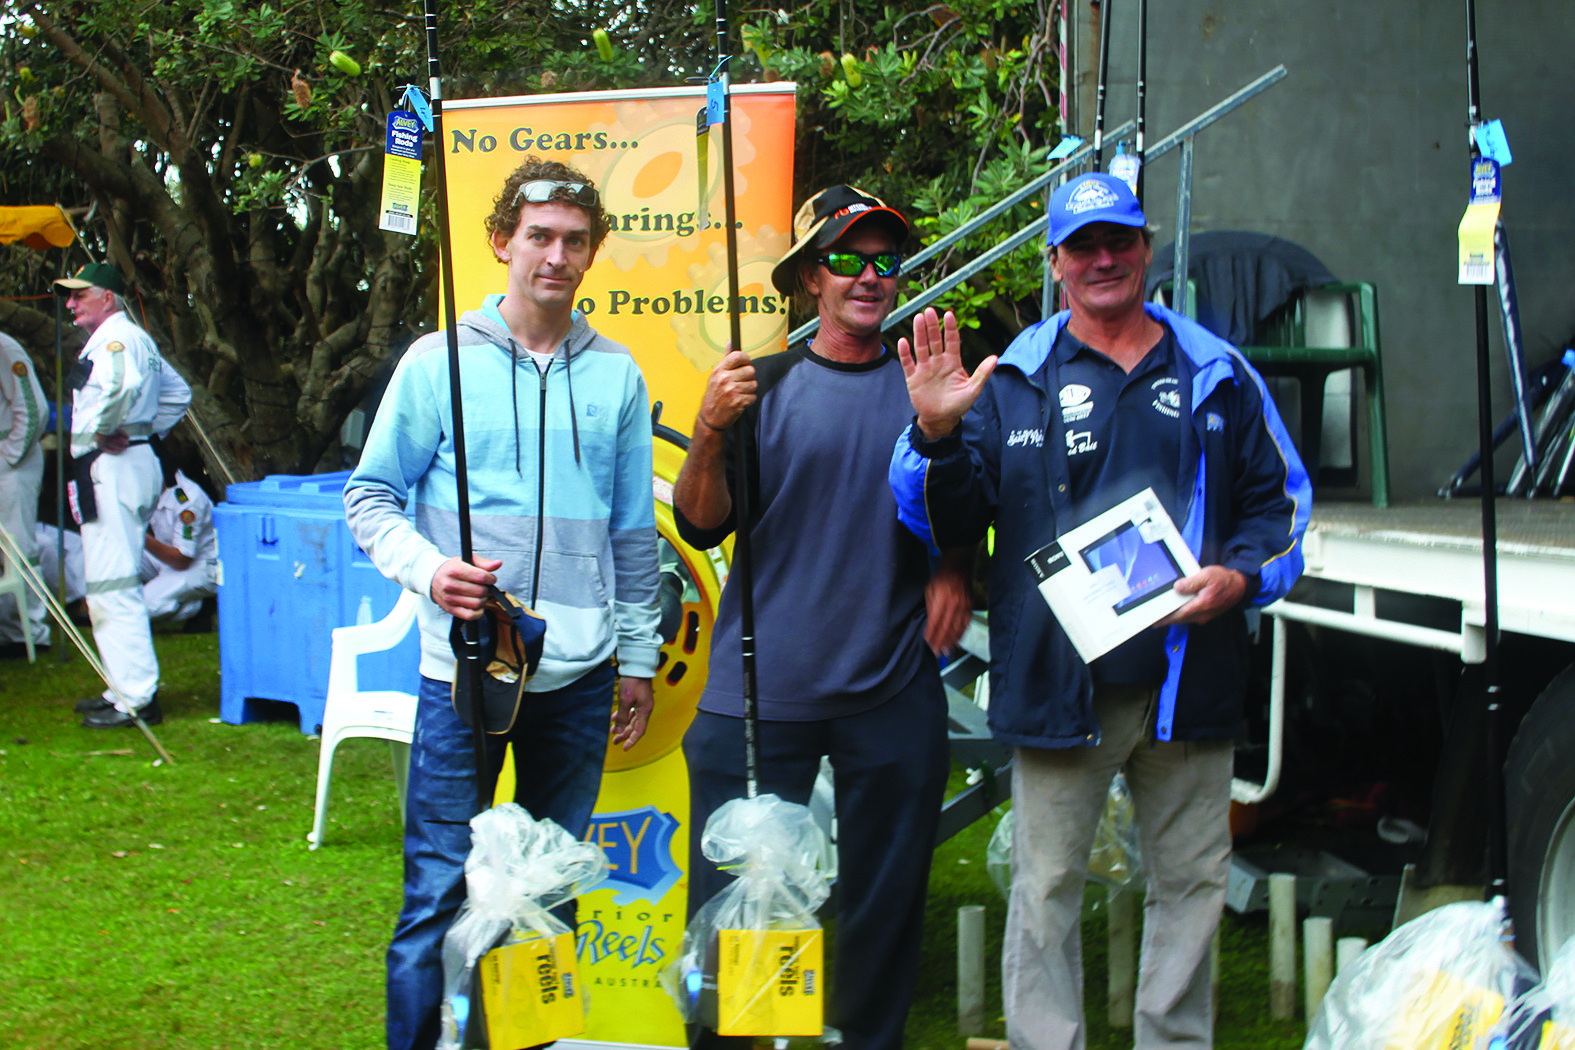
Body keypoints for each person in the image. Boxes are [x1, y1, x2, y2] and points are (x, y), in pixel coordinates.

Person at [889, 172, 1311, 1050]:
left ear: (1146, 249)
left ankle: (1173, 1041)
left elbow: (1281, 509)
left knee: (1191, 881)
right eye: (1082, 246)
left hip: (1185, 681)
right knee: (1045, 885)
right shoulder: (1013, 380)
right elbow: (942, 514)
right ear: (1054, 263)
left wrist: (1239, 578)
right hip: (1057, 678)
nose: (1104, 259)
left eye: (1118, 239)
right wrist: (931, 435)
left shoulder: (1216, 371)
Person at [342, 157, 662, 1050]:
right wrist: (426, 570)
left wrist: (635, 658)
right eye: (538, 237)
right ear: (500, 243)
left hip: (581, 676)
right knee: (437, 889)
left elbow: (633, 537)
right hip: (463, 673)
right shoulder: (435, 360)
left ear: (593, 252)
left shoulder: (619, 377)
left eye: (573, 240)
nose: (555, 256)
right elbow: (369, 497)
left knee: (545, 894)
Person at [672, 185, 972, 1050]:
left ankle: (868, 1038)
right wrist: (705, 428)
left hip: (889, 682)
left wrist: (955, 564)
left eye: (884, 260)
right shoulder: (759, 388)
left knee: (887, 894)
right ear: (810, 277)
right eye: (846, 258)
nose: (868, 276)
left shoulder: (929, 389)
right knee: (739, 899)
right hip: (762, 687)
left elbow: (967, 504)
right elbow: (699, 521)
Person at [53, 262, 191, 728]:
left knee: (111, 585)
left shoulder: (115, 340)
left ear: (107, 298)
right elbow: (178, 394)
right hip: (130, 461)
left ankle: (136, 697)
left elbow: (120, 385)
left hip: (113, 466)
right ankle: (122, 689)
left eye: (80, 295)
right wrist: (143, 432)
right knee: (110, 582)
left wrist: (104, 431)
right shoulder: (138, 339)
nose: (71, 304)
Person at [0, 329, 49, 658]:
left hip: (12, 461)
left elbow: (34, 408)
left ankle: (30, 629)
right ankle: (8, 628)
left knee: (17, 546)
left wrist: (8, 456)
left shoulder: (4, 346)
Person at [140, 453, 217, 625]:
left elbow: (183, 559)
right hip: (164, 556)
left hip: (198, 566)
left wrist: (139, 536)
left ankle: (198, 607)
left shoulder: (187, 500)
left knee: (141, 608)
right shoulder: (147, 487)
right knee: (115, 558)